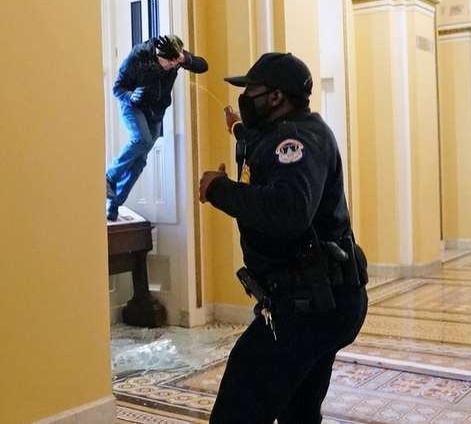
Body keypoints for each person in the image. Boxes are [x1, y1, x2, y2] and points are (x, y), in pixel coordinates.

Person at [198, 53, 368, 424]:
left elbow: (288, 211)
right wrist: (238, 129)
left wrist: (219, 189)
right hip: (325, 300)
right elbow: (264, 148)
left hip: (309, 304)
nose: (246, 97)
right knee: (298, 410)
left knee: (239, 406)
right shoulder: (293, 129)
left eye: (251, 91)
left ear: (276, 98)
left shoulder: (296, 139)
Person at [106, 35, 208, 221]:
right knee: (141, 140)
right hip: (133, 105)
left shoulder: (176, 57)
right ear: (157, 54)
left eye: (174, 62)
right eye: (167, 62)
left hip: (155, 111)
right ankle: (109, 176)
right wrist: (131, 96)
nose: (171, 66)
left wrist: (184, 59)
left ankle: (114, 204)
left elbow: (203, 66)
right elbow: (117, 88)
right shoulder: (138, 57)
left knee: (140, 161)